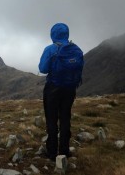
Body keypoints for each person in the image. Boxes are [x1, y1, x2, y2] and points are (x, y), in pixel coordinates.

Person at [38, 23, 84, 161]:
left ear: (53, 34)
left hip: (53, 88)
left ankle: (52, 153)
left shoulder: (50, 49)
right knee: (65, 118)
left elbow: (43, 68)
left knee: (51, 120)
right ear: (67, 33)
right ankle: (64, 151)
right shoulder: (76, 50)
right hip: (70, 89)